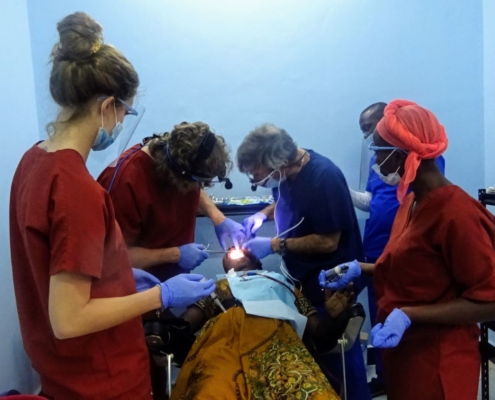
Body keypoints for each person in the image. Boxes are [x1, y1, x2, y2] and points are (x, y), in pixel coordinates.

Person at [9, 13, 214, 399]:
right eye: (125, 111)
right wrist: (162, 296)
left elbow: (59, 272)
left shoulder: (33, 161)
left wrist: (120, 281)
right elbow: (68, 319)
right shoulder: (77, 189)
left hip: (62, 372)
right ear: (107, 106)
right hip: (102, 379)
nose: (122, 121)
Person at [321, 99, 495, 400]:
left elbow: (490, 301)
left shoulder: (457, 215)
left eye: (378, 152)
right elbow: (419, 269)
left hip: (439, 364)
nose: (375, 162)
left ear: (402, 156)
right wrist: (361, 269)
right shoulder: (410, 203)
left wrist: (409, 314)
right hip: (406, 356)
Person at [237, 124, 370, 400]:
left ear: (276, 162)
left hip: (332, 285)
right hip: (300, 281)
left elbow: (328, 241)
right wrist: (262, 215)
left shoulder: (325, 177)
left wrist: (275, 245)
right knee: (314, 364)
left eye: (257, 175)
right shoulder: (285, 175)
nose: (256, 180)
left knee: (339, 358)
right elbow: (291, 202)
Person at [158, 248, 354, 399]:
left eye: (242, 248)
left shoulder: (283, 284)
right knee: (212, 392)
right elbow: (184, 325)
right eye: (230, 249)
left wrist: (336, 317)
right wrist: (161, 306)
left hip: (280, 346)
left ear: (257, 261)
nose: (234, 248)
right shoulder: (218, 286)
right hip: (225, 345)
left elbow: (319, 332)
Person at [349, 102, 446, 397]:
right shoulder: (404, 198)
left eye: (372, 132)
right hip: (378, 245)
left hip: (437, 364)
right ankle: (386, 374)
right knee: (382, 314)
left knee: (403, 321)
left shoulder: (443, 205)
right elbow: (373, 199)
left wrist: (410, 315)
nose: (375, 154)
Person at [97, 122, 246, 281]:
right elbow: (112, 257)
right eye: (198, 182)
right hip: (138, 287)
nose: (199, 187)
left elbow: (192, 186)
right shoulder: (125, 184)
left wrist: (218, 218)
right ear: (179, 174)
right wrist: (175, 255)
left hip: (174, 280)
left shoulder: (176, 159)